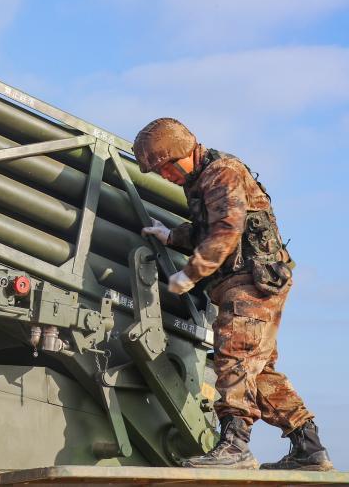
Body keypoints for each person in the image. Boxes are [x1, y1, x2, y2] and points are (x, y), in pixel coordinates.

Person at [134, 117, 333, 471]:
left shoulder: (222, 172)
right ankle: (309, 447)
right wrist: (171, 236)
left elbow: (227, 229)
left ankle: (235, 447)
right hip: (244, 284)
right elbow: (208, 229)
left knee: (234, 358)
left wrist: (191, 272)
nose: (165, 176)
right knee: (259, 373)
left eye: (166, 167)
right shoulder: (201, 180)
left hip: (250, 284)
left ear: (182, 152)